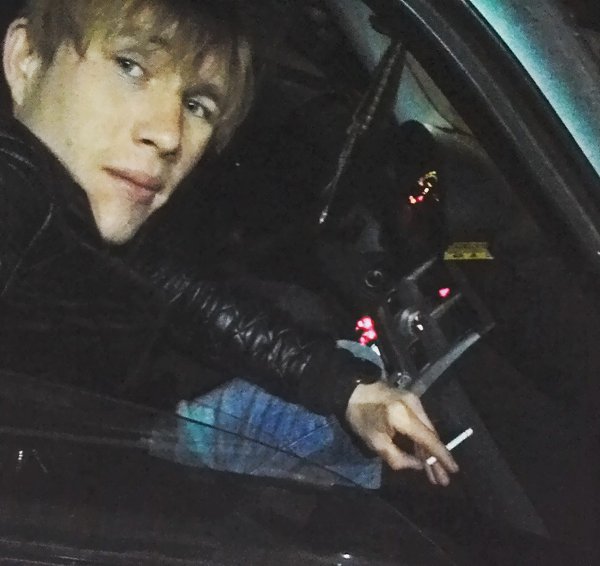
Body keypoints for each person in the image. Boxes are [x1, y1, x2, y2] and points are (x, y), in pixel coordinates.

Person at [0, 0, 458, 487]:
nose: (169, 134)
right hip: (73, 483)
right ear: (26, 58)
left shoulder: (79, 220)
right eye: (130, 67)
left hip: (97, 443)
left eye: (196, 105)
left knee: (355, 369)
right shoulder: (17, 188)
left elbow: (185, 294)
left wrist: (346, 387)